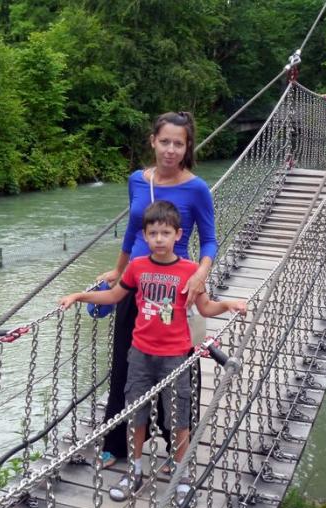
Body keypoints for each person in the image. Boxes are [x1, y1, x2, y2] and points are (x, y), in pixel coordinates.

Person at [59, 201, 246, 504]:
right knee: (136, 414)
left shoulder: (190, 271)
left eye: (166, 233)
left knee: (179, 416)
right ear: (144, 236)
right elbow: (114, 295)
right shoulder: (137, 267)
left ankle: (181, 475)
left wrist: (229, 304)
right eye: (153, 233)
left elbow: (206, 308)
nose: (159, 239)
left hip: (176, 357)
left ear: (178, 235)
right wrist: (79, 295)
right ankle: (134, 471)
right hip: (140, 356)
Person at [96, 111, 218, 469]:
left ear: (187, 146)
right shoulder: (137, 180)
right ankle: (117, 442)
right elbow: (133, 231)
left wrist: (200, 275)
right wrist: (118, 270)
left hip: (175, 289)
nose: (170, 150)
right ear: (153, 141)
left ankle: (175, 448)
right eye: (164, 141)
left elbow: (209, 240)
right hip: (135, 283)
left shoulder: (196, 188)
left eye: (178, 144)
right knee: (126, 363)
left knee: (176, 369)